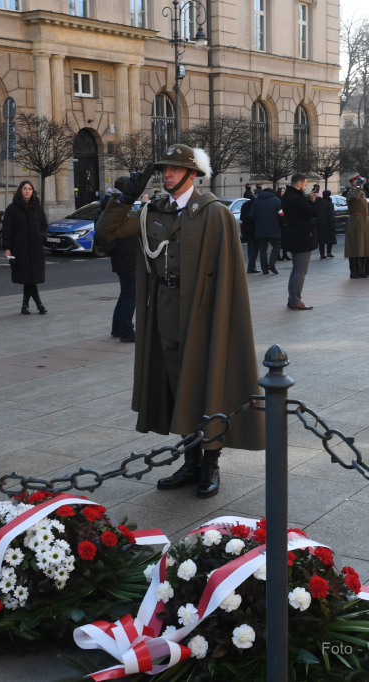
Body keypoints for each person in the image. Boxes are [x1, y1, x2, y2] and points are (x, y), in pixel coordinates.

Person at [94, 143, 265, 499]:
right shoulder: (152, 211)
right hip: (166, 313)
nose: (166, 174)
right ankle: (190, 462)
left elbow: (228, 274)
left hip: (205, 316)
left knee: (208, 386)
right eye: (163, 169)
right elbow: (107, 233)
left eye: (173, 169)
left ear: (193, 174)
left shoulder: (213, 213)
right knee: (177, 386)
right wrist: (126, 197)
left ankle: (211, 464)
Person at [98, 177, 138, 342]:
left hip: (120, 257)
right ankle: (127, 330)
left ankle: (117, 328)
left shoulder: (110, 205)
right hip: (128, 256)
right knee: (130, 296)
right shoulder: (121, 207)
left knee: (125, 294)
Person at [2, 180, 49, 315]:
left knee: (31, 278)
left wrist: (42, 237)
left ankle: (25, 305)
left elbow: (44, 226)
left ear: (33, 191)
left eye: (30, 189)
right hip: (20, 248)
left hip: (35, 248)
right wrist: (7, 247)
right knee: (29, 278)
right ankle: (38, 304)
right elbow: (7, 230)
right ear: (20, 191)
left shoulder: (38, 208)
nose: (27, 191)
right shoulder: (12, 209)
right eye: (24, 188)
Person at [280, 173, 319, 310]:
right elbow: (313, 212)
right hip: (302, 237)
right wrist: (315, 200)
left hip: (294, 236)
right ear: (299, 184)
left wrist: (309, 200)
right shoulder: (296, 198)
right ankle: (295, 300)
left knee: (296, 269)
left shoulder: (289, 196)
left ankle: (292, 299)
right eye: (305, 184)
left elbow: (304, 211)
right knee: (301, 270)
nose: (305, 187)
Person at [345, 175, 369, 278]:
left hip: (364, 221)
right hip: (356, 221)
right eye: (358, 181)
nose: (361, 184)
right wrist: (357, 187)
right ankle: (354, 271)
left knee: (363, 246)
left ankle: (361, 270)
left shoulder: (361, 193)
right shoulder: (351, 193)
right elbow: (353, 198)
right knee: (355, 246)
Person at [251, 185, 281, 275]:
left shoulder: (256, 201)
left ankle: (264, 269)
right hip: (273, 228)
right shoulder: (276, 200)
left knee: (263, 249)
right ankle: (271, 264)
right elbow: (281, 213)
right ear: (272, 193)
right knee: (276, 246)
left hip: (260, 229)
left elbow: (251, 215)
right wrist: (282, 222)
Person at [239, 194, 258, 273]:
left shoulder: (245, 204)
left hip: (246, 229)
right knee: (255, 248)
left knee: (250, 247)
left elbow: (241, 218)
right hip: (254, 229)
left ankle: (251, 266)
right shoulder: (256, 204)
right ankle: (251, 266)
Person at [316, 189, 337, 259]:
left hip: (320, 223)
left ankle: (322, 254)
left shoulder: (319, 202)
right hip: (328, 224)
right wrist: (333, 225)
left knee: (321, 240)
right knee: (330, 239)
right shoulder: (329, 204)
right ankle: (329, 252)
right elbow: (331, 215)